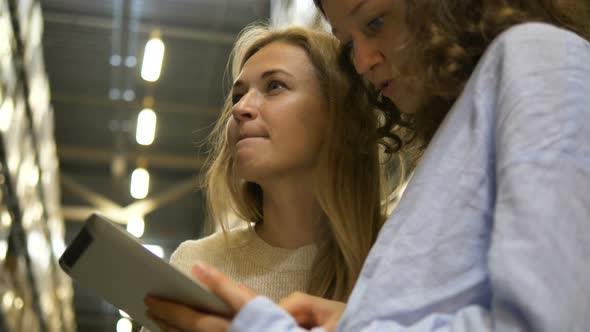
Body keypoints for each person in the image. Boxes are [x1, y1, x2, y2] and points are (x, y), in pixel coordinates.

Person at [145, 0, 590, 331]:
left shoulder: (535, 59)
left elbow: (546, 318)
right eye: (349, 42)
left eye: (376, 22)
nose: (362, 61)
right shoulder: (454, 131)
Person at [142, 24, 390, 330]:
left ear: (341, 116)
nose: (241, 108)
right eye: (238, 95)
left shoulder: (400, 255)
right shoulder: (197, 264)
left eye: (275, 86)